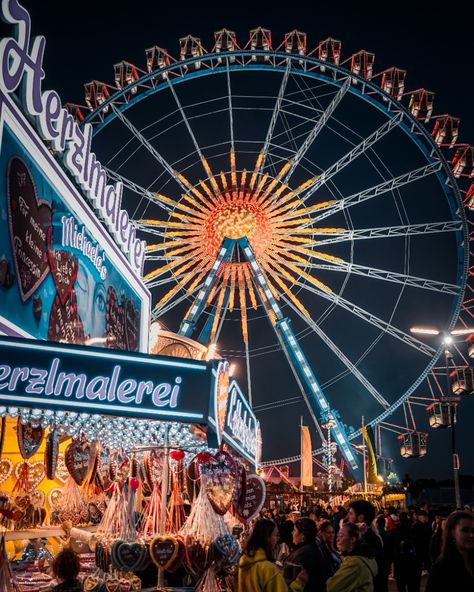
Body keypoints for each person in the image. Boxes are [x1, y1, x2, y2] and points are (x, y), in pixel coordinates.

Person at [236, 519, 308, 592]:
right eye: (275, 535)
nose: (277, 539)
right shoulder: (268, 569)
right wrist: (299, 583)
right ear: (267, 537)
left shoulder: (243, 562)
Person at [426, 510, 474, 592]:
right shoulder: (441, 568)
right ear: (452, 533)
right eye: (465, 530)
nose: (471, 535)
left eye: (473, 530)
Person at [326, 522, 378, 592]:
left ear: (352, 539)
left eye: (341, 536)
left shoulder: (354, 563)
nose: (337, 539)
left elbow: (331, 587)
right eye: (337, 535)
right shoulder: (365, 556)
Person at [347, 500, 383, 592]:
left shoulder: (367, 539)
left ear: (360, 518)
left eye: (351, 514)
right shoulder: (370, 535)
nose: (347, 517)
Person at [283, 517, 326, 592]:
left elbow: (294, 579)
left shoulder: (303, 555)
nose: (292, 533)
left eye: (294, 530)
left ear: (302, 535)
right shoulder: (312, 548)